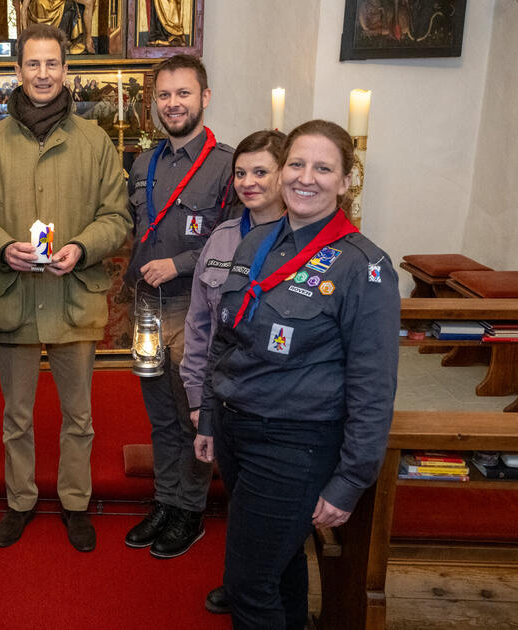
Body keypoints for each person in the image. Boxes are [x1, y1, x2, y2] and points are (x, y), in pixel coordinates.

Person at [195, 119, 400, 628]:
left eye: (324, 167)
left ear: (346, 181)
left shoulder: (364, 266)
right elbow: (225, 336)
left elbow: (373, 386)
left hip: (296, 442)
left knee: (247, 584)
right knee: (280, 567)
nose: (307, 177)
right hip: (238, 428)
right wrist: (207, 418)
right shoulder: (255, 243)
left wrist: (351, 479)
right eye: (298, 164)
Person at [0, 23, 131, 553]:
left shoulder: (96, 142)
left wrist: (80, 246)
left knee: (80, 415)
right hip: (13, 296)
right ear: (18, 71)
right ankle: (20, 500)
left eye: (52, 64)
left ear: (65, 70)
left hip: (74, 295)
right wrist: (4, 247)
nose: (43, 73)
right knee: (17, 415)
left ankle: (75, 501)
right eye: (33, 64)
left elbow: (117, 218)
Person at [121, 54, 235, 560]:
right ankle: (165, 501)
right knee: (161, 416)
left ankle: (190, 509)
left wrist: (180, 263)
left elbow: (234, 241)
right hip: (146, 310)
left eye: (183, 94)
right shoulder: (144, 163)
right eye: (164, 96)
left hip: (193, 311)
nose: (173, 104)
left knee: (192, 415)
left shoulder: (227, 165)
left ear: (204, 98)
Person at [182, 128, 287, 613]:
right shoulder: (223, 237)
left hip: (280, 403)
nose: (248, 182)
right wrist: (198, 399)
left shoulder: (307, 242)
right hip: (224, 397)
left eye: (261, 172)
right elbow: (201, 326)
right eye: (241, 173)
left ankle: (261, 591)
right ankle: (240, 581)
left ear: (286, 174)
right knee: (242, 500)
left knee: (276, 511)